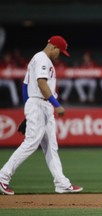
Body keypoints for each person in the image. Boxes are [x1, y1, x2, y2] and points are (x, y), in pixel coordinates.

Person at [0, 35, 83, 195]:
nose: (60, 55)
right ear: (54, 47)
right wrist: (56, 104)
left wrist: (27, 109)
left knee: (51, 147)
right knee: (31, 143)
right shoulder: (42, 58)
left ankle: (61, 183)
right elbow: (41, 83)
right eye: (60, 51)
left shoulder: (38, 60)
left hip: (39, 105)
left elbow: (25, 85)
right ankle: (2, 177)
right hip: (39, 103)